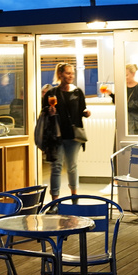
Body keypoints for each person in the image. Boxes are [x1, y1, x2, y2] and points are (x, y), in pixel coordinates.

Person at [41, 63, 90, 200]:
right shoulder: (52, 93)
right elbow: (44, 112)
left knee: (72, 166)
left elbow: (82, 110)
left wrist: (86, 113)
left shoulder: (77, 92)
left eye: (72, 73)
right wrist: (49, 112)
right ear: (60, 74)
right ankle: (54, 201)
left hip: (73, 135)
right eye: (68, 73)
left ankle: (74, 196)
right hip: (56, 135)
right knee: (56, 167)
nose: (71, 76)